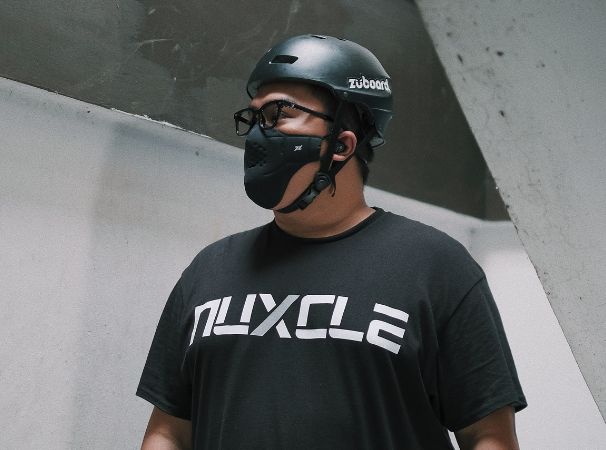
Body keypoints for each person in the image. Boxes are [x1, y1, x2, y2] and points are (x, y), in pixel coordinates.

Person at [137, 34, 527, 450]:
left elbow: (488, 436)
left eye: (279, 114)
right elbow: (168, 431)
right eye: (254, 118)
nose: (257, 135)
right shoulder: (209, 270)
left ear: (342, 144)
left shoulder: (437, 267)